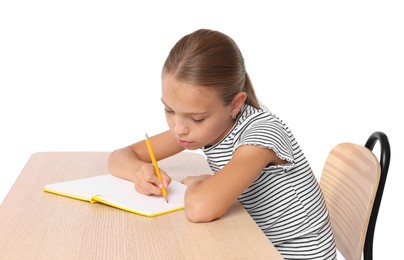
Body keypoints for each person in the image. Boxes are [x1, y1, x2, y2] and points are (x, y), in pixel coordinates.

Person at [108, 28, 336, 259]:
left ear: (235, 104)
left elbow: (200, 208)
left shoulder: (260, 137)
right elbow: (119, 156)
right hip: (256, 242)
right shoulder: (202, 127)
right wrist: (139, 172)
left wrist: (198, 182)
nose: (178, 127)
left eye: (196, 117)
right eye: (169, 110)